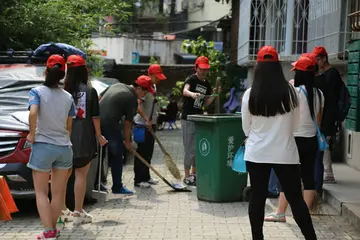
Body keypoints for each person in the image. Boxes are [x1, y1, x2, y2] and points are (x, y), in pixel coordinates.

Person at [241, 46, 317, 240]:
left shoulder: (250, 94)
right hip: (285, 153)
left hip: (257, 153)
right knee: (295, 199)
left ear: (257, 67)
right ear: (278, 67)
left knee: (257, 198)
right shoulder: (293, 93)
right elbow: (295, 126)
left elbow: (246, 128)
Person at [265, 54, 324, 223]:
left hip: (294, 140)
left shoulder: (294, 92)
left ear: (299, 73)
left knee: (288, 177)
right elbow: (317, 123)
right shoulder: (319, 94)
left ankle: (280, 213)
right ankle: (303, 215)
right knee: (308, 177)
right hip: (311, 141)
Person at [26, 55, 75, 239]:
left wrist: (32, 133)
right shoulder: (68, 97)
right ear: (62, 75)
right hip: (64, 147)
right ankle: (53, 230)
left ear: (46, 72)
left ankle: (48, 231)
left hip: (43, 146)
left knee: (40, 192)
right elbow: (69, 126)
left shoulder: (36, 92)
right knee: (58, 193)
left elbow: (33, 113)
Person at [60, 55, 107, 224]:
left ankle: (61, 211)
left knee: (63, 176)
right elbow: (95, 117)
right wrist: (99, 136)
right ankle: (78, 213)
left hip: (63, 139)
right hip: (85, 139)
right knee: (81, 175)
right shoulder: (90, 91)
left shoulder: (61, 90)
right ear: (83, 70)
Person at [99, 76, 153, 194]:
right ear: (138, 88)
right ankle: (117, 187)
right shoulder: (131, 99)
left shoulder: (117, 85)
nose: (144, 95)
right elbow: (127, 124)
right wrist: (128, 143)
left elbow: (99, 98)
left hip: (97, 122)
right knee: (117, 155)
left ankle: (98, 184)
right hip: (111, 124)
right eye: (145, 91)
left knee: (100, 154)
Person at [181, 56, 219, 186]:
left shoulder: (206, 83)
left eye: (205, 69)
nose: (203, 71)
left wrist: (213, 95)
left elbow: (206, 103)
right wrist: (192, 94)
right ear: (196, 67)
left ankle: (194, 174)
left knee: (197, 149)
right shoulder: (191, 79)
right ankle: (186, 176)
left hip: (198, 118)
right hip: (188, 118)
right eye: (201, 69)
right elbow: (185, 90)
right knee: (189, 149)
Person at [312, 46, 342, 184]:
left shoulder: (331, 74)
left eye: (317, 59)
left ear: (324, 58)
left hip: (328, 115)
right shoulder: (327, 74)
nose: (316, 62)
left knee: (324, 142)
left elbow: (329, 98)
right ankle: (326, 172)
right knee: (323, 142)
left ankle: (328, 173)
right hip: (324, 114)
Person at [133, 75, 158, 188]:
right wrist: (146, 118)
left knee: (148, 153)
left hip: (148, 126)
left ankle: (146, 177)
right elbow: (138, 106)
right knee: (141, 153)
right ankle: (138, 179)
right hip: (141, 126)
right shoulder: (139, 94)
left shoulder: (148, 91)